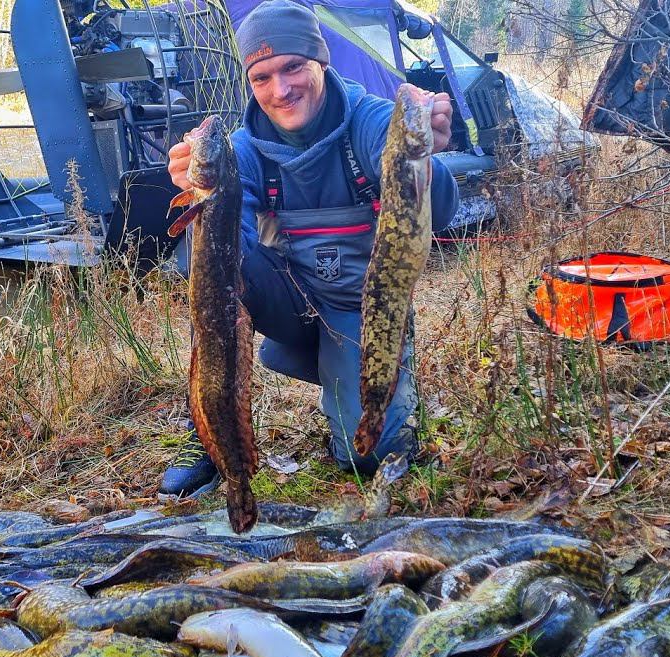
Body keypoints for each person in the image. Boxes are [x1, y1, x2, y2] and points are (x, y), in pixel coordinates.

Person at [160, 0, 459, 499]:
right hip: (293, 302)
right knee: (208, 269)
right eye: (262, 77)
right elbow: (224, 260)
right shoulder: (243, 151)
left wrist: (428, 158)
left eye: (294, 67)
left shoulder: (371, 122)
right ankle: (209, 435)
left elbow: (440, 213)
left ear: (321, 61)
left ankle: (361, 379)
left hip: (359, 311)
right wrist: (202, 204)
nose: (281, 90)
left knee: (367, 456)